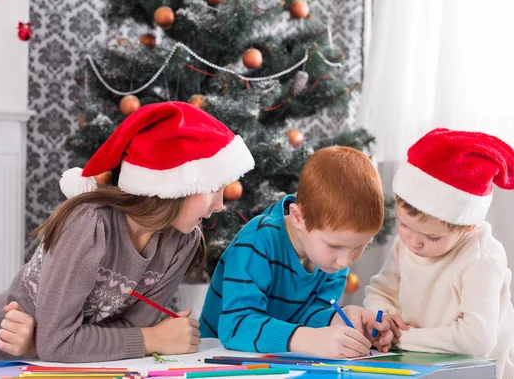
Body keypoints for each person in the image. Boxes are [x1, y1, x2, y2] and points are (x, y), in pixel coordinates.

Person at [0, 101, 255, 363]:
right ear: (174, 185)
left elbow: (126, 329)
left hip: (53, 363)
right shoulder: (90, 224)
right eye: (213, 188)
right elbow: (62, 342)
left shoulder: (183, 241)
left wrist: (53, 344)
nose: (219, 205)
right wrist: (153, 338)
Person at [199, 145, 394, 358]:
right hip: (215, 359)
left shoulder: (330, 258)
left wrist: (342, 318)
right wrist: (308, 339)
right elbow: (236, 326)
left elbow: (304, 316)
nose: (345, 262)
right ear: (299, 217)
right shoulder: (258, 240)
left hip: (278, 363)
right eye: (335, 246)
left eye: (360, 246)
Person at [363, 128, 514, 379]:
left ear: (468, 224)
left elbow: (476, 340)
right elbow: (381, 291)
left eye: (431, 237)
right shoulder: (406, 243)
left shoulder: (481, 258)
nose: (414, 242)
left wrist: (400, 338)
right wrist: (385, 321)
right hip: (423, 368)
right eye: (402, 224)